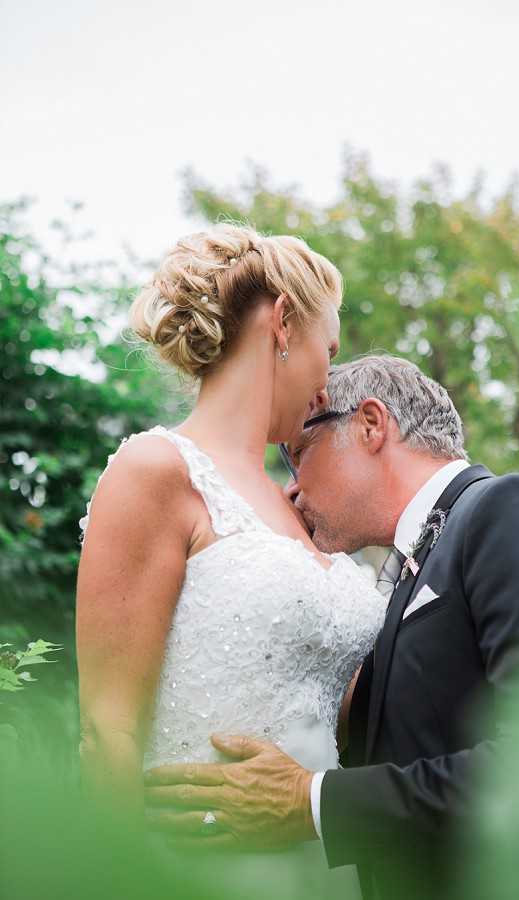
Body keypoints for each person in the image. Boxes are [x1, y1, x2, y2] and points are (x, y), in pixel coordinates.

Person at [145, 354, 519, 900]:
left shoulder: (509, 509)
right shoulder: (411, 569)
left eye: (297, 456)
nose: (290, 491)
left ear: (369, 424)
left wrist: (312, 802)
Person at [76, 225, 387, 900]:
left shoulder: (297, 508)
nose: (327, 383)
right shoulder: (156, 470)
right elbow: (108, 730)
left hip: (324, 867)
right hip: (199, 871)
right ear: (281, 323)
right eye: (326, 351)